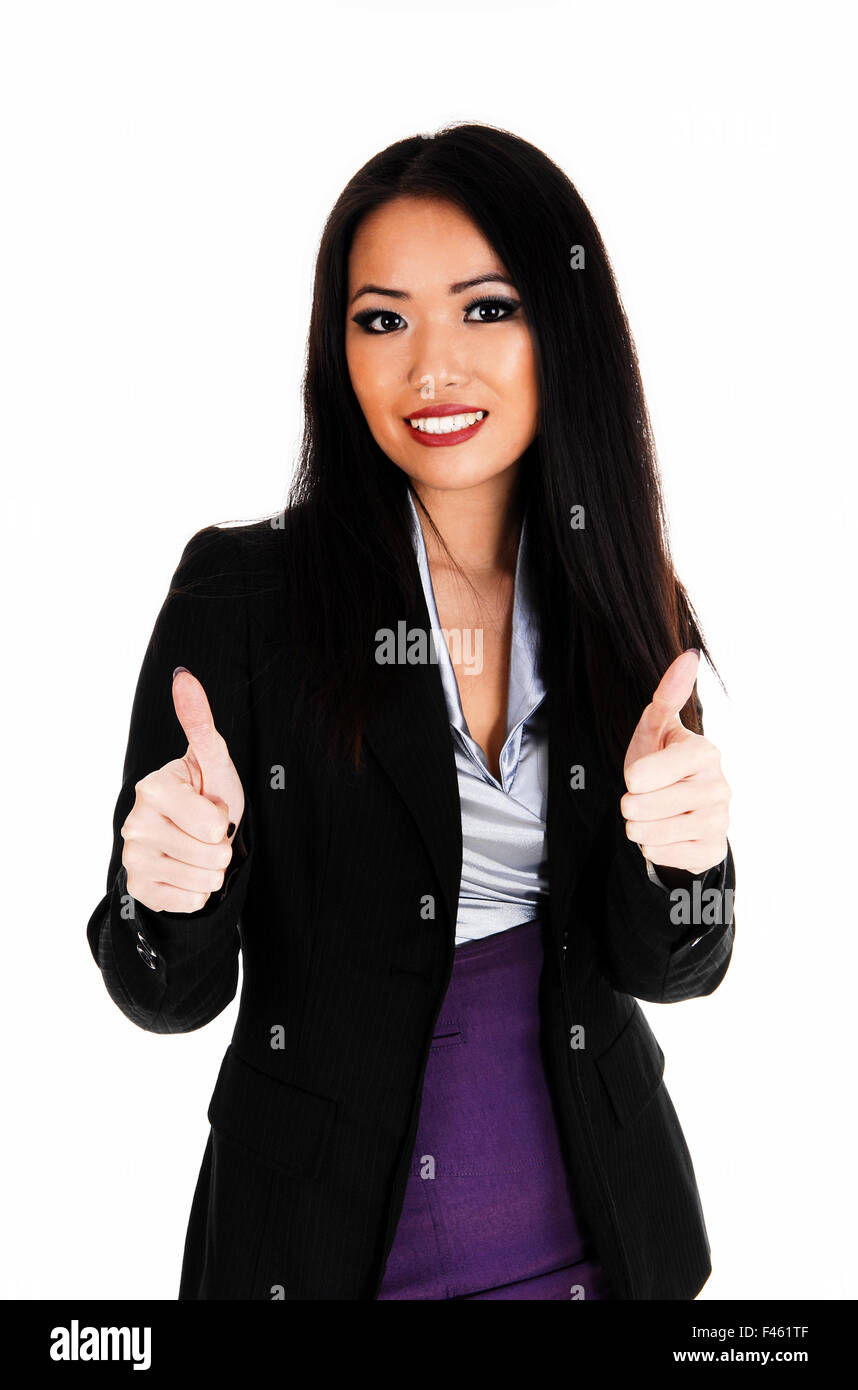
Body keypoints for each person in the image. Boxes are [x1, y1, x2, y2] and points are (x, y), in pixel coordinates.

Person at [86, 122, 736, 1301]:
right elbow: (161, 991)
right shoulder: (243, 596)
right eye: (381, 319)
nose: (431, 366)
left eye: (486, 309)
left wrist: (687, 858)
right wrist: (164, 890)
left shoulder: (630, 598)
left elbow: (676, 965)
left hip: (607, 1244)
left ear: (563, 328)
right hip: (328, 1255)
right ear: (339, 352)